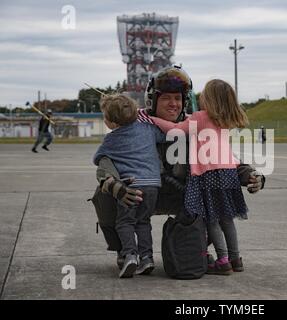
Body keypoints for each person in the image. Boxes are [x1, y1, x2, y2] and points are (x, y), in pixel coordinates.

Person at [94, 66, 265, 270]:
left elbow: (225, 160)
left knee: (212, 199)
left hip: (184, 195)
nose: (173, 103)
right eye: (166, 98)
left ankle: (198, 247)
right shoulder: (135, 123)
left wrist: (251, 175)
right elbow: (107, 157)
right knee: (105, 195)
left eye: (178, 98)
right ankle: (126, 251)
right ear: (153, 99)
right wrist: (112, 183)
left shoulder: (195, 124)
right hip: (141, 192)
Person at [150, 79, 249, 275]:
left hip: (209, 175)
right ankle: (235, 258)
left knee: (211, 220)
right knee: (227, 219)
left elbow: (175, 130)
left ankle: (222, 261)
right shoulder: (224, 120)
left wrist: (151, 119)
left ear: (209, 99)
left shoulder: (201, 117)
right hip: (228, 173)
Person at [93, 94, 165, 278]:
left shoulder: (111, 140)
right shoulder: (147, 129)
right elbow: (163, 136)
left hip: (130, 186)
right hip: (153, 185)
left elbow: (97, 159)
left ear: (113, 122)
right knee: (143, 222)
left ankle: (130, 255)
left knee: (125, 222)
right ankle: (147, 258)